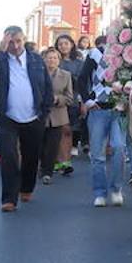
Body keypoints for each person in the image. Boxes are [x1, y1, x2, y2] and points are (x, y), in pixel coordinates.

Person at [0, 27, 53, 213]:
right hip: (8, 117)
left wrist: (44, 111)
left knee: (31, 156)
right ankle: (9, 199)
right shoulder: (1, 60)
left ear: (24, 40)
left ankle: (27, 188)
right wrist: (0, 51)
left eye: (18, 41)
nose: (15, 45)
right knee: (8, 157)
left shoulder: (36, 59)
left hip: (34, 116)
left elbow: (46, 85)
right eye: (11, 42)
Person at [80, 34, 126, 207]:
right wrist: (87, 100)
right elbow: (82, 78)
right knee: (97, 154)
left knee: (119, 147)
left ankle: (116, 189)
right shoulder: (94, 54)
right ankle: (100, 192)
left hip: (118, 109)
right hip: (98, 110)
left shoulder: (125, 55)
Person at [39, 48, 75, 185]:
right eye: (49, 58)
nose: (51, 60)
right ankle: (42, 167)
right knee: (40, 144)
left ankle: (48, 172)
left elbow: (70, 98)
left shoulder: (66, 75)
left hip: (58, 115)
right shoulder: (38, 74)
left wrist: (57, 99)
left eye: (54, 58)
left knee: (53, 146)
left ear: (59, 60)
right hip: (40, 114)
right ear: (44, 60)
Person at [53, 34, 84, 172]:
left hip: (73, 100)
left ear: (71, 44)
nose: (63, 46)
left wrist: (83, 101)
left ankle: (66, 161)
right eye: (60, 44)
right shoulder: (54, 61)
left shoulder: (78, 63)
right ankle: (56, 160)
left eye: (66, 43)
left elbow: (83, 83)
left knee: (67, 131)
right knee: (56, 132)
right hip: (56, 101)